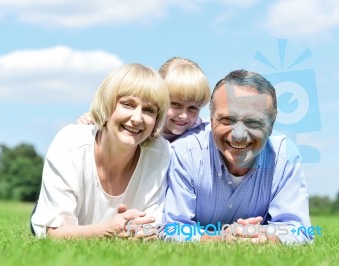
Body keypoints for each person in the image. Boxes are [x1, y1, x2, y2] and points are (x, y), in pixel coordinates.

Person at [163, 69, 312, 244]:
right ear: (211, 119)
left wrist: (264, 236)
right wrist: (220, 239)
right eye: (227, 119)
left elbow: (299, 229)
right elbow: (172, 229)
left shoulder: (285, 155)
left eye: (253, 122)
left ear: (271, 125)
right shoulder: (185, 152)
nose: (239, 135)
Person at [31, 63, 170, 239]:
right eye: (127, 104)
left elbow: (152, 227)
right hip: (58, 220)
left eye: (149, 110)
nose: (137, 118)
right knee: (46, 216)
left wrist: (146, 234)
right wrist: (108, 230)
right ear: (107, 104)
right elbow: (54, 233)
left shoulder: (160, 152)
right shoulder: (69, 143)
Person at [77, 57, 211, 143]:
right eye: (175, 104)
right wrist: (91, 120)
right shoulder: (141, 126)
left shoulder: (201, 134)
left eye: (193, 107)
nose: (183, 115)